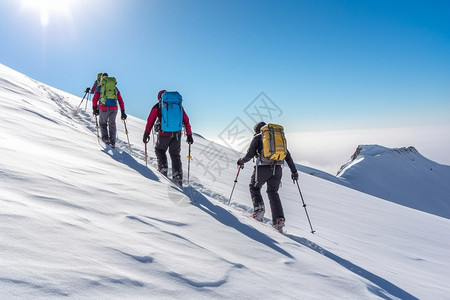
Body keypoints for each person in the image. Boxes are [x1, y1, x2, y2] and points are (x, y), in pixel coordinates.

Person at [237, 121, 298, 231]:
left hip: (262, 168)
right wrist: (294, 172)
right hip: (277, 169)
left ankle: (259, 209)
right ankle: (278, 220)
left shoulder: (258, 138)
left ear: (257, 131)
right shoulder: (275, 139)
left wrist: (242, 161)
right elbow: (287, 156)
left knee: (254, 187)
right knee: (273, 192)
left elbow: (250, 154)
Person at [142, 90, 193, 186]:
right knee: (175, 154)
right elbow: (186, 120)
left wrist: (146, 133)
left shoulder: (158, 106)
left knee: (160, 150)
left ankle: (163, 168)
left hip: (164, 134)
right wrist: (189, 135)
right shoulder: (178, 105)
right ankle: (178, 175)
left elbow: (150, 121)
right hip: (177, 134)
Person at [92, 73, 127, 148]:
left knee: (103, 123)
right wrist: (123, 111)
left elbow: (95, 99)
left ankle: (105, 138)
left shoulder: (99, 87)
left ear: (102, 79)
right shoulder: (114, 88)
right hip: (114, 108)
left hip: (103, 108)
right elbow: (120, 100)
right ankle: (113, 142)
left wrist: (95, 108)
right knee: (112, 124)